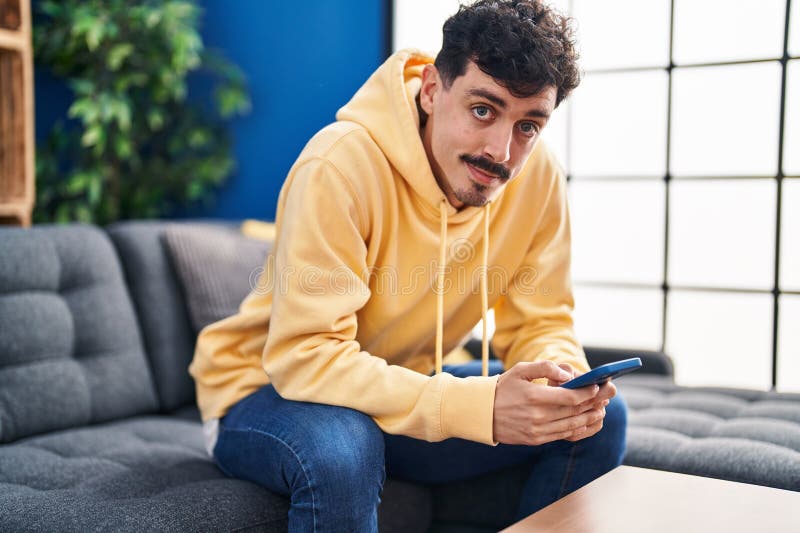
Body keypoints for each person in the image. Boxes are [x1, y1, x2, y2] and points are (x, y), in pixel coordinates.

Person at [189, 0, 626, 530]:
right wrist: (477, 406)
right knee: (342, 448)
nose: (501, 151)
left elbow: (542, 320)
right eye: (483, 110)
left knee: (593, 422)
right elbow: (306, 357)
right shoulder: (339, 166)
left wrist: (562, 380)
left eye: (528, 126)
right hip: (266, 393)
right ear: (431, 89)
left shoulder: (536, 180)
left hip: (395, 392)